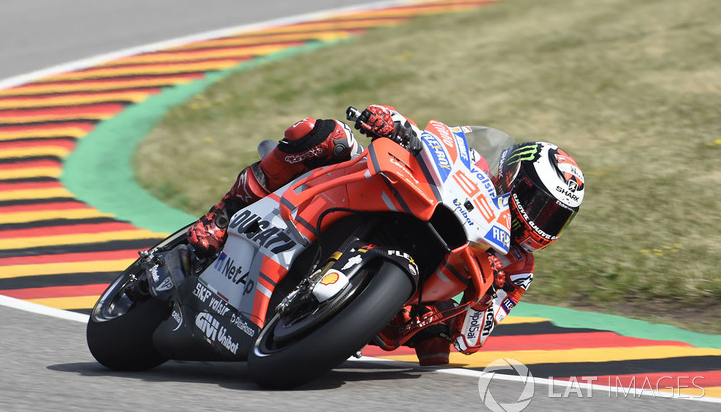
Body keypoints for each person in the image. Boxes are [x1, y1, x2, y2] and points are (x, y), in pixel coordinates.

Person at [186, 105, 585, 366]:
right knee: (322, 134)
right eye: (539, 206)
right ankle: (225, 214)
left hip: (410, 309)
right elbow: (438, 145)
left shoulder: (518, 268)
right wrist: (393, 123)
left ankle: (338, 319)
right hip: (416, 210)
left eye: (556, 218)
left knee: (437, 355)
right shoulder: (480, 166)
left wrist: (484, 300)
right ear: (515, 177)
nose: (541, 222)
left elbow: (469, 342)